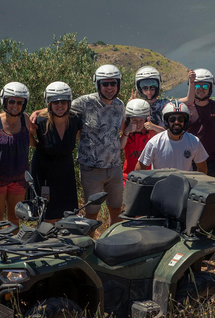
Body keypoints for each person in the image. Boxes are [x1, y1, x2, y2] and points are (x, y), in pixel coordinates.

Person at [32, 65, 125, 225]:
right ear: (98, 84)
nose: (109, 87)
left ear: (118, 84)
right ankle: (88, 244)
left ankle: (112, 242)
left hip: (115, 167)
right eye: (105, 84)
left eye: (113, 83)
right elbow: (59, 106)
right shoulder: (84, 102)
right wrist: (36, 113)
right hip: (91, 168)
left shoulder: (120, 105)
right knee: (92, 211)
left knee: (116, 208)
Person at [30, 81, 83, 223]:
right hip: (44, 170)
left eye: (63, 102)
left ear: (69, 103)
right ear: (49, 104)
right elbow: (27, 133)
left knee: (65, 211)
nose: (60, 105)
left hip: (65, 169)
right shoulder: (40, 120)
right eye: (55, 102)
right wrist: (37, 145)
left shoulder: (75, 119)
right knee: (46, 211)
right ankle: (45, 240)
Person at [0, 82, 31, 226]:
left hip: (19, 177)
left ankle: (13, 247)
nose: (15, 106)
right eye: (11, 101)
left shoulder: (25, 119)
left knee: (15, 218)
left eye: (19, 102)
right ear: (4, 101)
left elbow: (30, 141)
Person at [137, 101, 209, 172]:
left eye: (180, 119)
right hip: (159, 183)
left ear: (185, 121)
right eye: (172, 119)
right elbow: (139, 169)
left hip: (185, 183)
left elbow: (202, 168)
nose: (176, 122)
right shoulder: (154, 143)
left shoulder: (194, 141)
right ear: (166, 121)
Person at [182, 68, 215, 178]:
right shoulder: (185, 109)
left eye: (205, 86)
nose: (201, 89)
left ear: (210, 87)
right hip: (189, 160)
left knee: (213, 193)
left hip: (212, 160)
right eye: (197, 86)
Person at [120, 98, 155, 182]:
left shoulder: (149, 133)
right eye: (134, 120)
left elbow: (165, 134)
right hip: (128, 176)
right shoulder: (127, 134)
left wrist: (153, 126)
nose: (138, 123)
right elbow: (121, 146)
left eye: (141, 120)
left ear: (146, 121)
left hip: (148, 175)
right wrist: (127, 130)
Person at [132, 66, 167, 133]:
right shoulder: (138, 107)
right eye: (145, 88)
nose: (149, 92)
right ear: (139, 89)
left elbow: (188, 100)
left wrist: (191, 83)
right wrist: (131, 106)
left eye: (152, 88)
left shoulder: (164, 103)